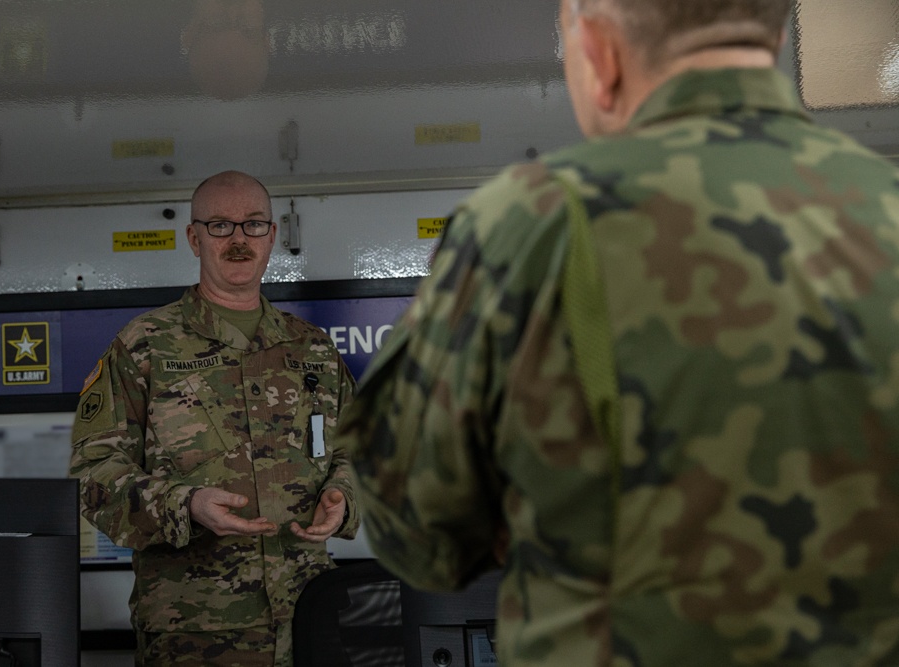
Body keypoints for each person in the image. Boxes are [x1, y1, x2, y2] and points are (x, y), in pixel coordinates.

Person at [336, 1, 899, 665]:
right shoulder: (888, 205)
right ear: (773, 34)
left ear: (599, 53)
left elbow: (415, 535)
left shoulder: (533, 225)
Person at [70, 170, 359, 667]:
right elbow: (93, 474)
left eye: (252, 224)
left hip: (308, 616)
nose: (238, 239)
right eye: (220, 225)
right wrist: (186, 506)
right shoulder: (143, 345)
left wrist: (343, 495)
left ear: (272, 235)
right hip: (194, 631)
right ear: (193, 237)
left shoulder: (312, 348)